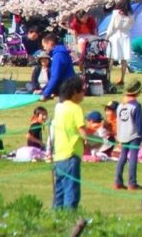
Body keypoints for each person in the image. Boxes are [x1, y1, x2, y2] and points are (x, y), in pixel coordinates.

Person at [52, 77, 87, 210]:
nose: (84, 93)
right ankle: (69, 220)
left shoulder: (59, 108)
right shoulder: (75, 108)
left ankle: (55, 220)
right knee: (71, 192)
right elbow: (82, 130)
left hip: (59, 156)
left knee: (59, 193)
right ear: (74, 92)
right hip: (71, 155)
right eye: (82, 90)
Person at [114, 80, 142, 190]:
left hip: (123, 134)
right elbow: (139, 123)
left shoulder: (120, 106)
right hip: (134, 135)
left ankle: (117, 181)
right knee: (132, 158)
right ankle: (132, 183)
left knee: (122, 157)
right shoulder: (136, 106)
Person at [106, 0, 134, 87]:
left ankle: (108, 77)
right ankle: (122, 78)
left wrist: (107, 35)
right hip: (125, 36)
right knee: (124, 59)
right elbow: (131, 25)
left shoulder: (116, 13)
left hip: (115, 36)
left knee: (111, 58)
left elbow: (112, 26)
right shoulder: (131, 14)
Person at [40, 32, 76, 101]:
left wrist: (45, 94)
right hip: (70, 87)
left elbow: (55, 76)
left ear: (50, 43)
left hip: (66, 90)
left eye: (44, 45)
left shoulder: (58, 56)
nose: (44, 48)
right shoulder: (62, 53)